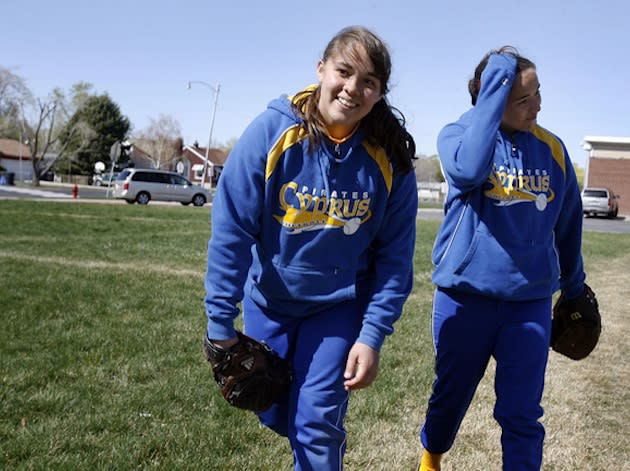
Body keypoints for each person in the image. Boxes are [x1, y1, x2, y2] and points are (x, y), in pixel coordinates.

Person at [203, 26, 418, 471]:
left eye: (369, 82)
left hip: (338, 307)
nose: (352, 88)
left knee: (315, 423)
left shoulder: (390, 158)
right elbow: (231, 232)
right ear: (320, 70)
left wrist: (371, 334)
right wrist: (220, 324)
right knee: (276, 410)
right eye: (344, 71)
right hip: (270, 301)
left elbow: (395, 260)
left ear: (380, 94)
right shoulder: (270, 133)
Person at [417, 46, 589, 471]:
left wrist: (574, 286)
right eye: (522, 99)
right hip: (464, 297)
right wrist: (490, 98)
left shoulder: (552, 149)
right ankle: (431, 457)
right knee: (450, 397)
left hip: (528, 303)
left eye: (538, 94)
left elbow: (568, 223)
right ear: (489, 96)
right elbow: (468, 171)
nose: (537, 106)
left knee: (522, 412)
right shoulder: (459, 135)